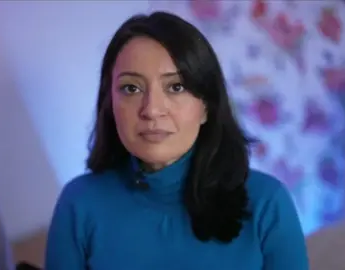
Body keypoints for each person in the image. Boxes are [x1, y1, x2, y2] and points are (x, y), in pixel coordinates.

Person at [45, 11, 309, 270]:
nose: (151, 109)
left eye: (176, 87)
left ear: (206, 106)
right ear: (110, 104)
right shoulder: (78, 204)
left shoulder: (268, 204)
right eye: (131, 88)